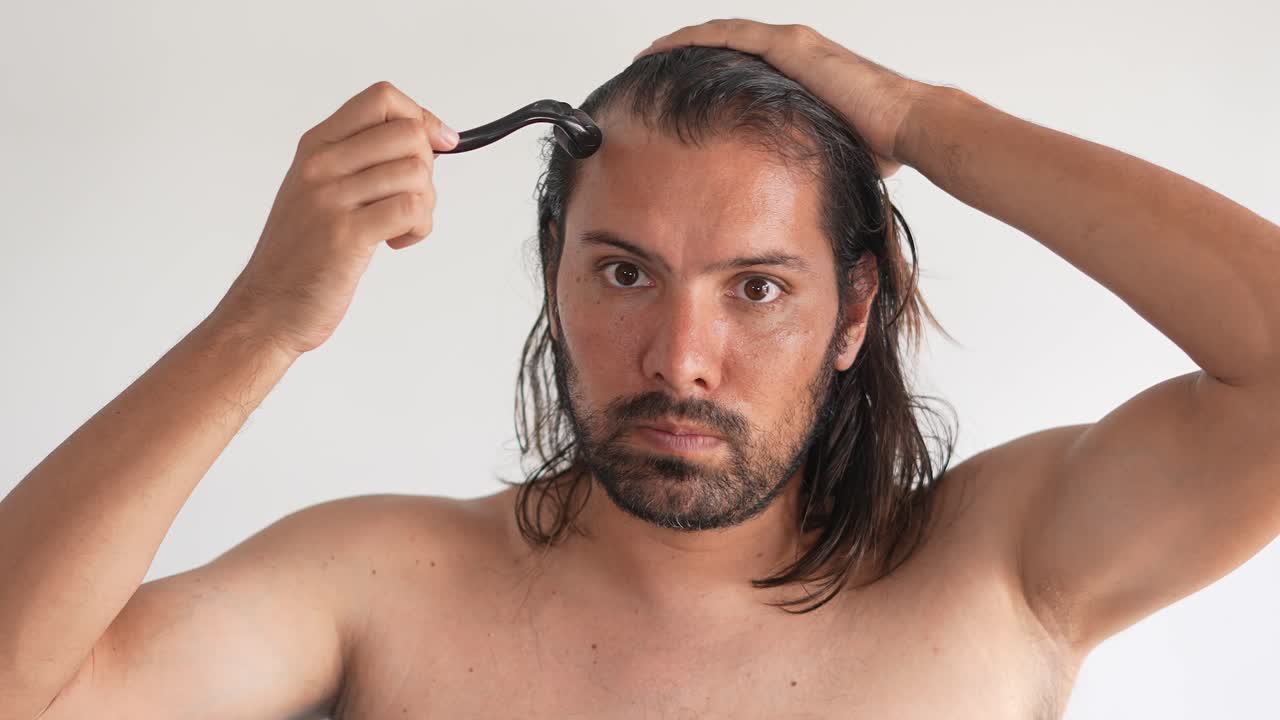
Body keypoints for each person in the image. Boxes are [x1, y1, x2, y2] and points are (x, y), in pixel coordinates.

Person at [4, 18, 1278, 720]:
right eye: (624, 274)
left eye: (756, 289)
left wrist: (923, 122)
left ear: (852, 312)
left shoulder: (1001, 568)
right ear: (553, 273)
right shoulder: (377, 583)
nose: (678, 361)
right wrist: (259, 323)